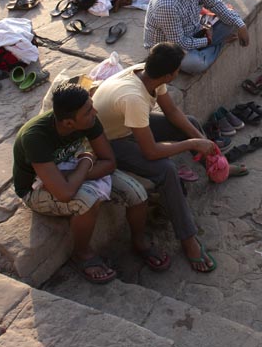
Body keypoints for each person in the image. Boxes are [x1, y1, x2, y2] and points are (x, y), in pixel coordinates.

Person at [93, 43, 227, 273]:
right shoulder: (134, 97)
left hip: (126, 125)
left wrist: (207, 146)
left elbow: (173, 113)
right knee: (166, 170)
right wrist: (193, 143)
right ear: (170, 75)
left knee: (191, 123)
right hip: (108, 142)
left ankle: (214, 163)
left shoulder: (149, 74)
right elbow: (151, 152)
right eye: (177, 70)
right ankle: (187, 239)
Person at [11, 81, 164, 283]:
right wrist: (85, 163)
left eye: (91, 106)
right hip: (35, 188)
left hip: (67, 172)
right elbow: (64, 193)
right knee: (87, 202)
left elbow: (109, 162)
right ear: (68, 124)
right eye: (88, 111)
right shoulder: (35, 137)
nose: (95, 111)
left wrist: (73, 175)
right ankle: (81, 254)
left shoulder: (89, 119)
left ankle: (138, 241)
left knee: (137, 194)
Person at [144, 0, 249, 74]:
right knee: (196, 64)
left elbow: (216, 4)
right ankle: (217, 45)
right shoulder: (167, 5)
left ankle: (208, 48)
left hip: (194, 32)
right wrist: (208, 40)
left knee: (231, 21)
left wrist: (241, 25)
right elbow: (178, 44)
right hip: (170, 49)